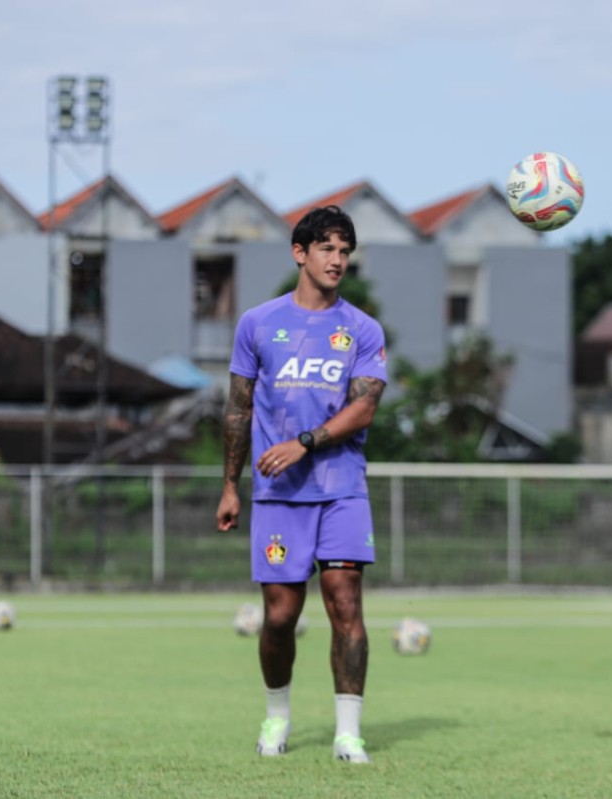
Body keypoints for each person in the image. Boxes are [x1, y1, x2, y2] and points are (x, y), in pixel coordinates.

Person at [216, 205, 388, 764]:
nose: (338, 260)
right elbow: (238, 410)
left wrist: (306, 442)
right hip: (278, 496)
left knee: (344, 603)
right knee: (281, 616)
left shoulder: (362, 329)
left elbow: (363, 409)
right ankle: (277, 717)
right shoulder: (258, 324)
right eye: (328, 249)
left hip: (341, 488)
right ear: (300, 253)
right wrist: (230, 486)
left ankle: (348, 733)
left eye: (345, 252)